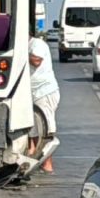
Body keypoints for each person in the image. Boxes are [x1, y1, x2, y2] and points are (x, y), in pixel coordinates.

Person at [26, 26, 62, 172]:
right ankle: (39, 160)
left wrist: (19, 53)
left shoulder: (37, 44)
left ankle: (48, 164)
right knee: (34, 129)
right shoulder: (28, 45)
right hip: (32, 93)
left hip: (44, 92)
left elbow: (36, 61)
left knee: (45, 129)